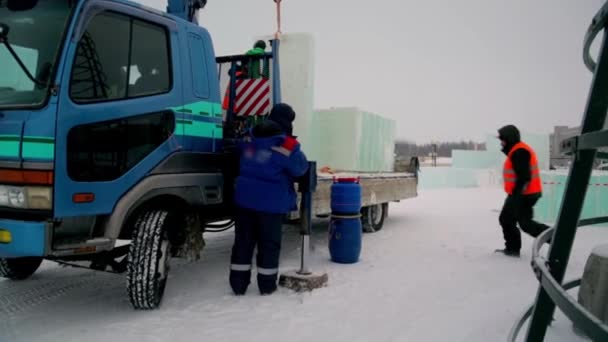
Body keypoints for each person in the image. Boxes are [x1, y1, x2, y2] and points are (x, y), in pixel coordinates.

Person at [229, 103, 308, 295]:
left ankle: (238, 286)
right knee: (268, 245)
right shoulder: (286, 144)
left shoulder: (250, 135)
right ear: (289, 121)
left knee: (243, 242)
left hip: (244, 200)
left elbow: (239, 153)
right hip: (271, 205)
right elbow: (300, 169)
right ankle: (266, 286)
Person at [496, 125, 550, 257]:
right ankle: (513, 248)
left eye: (502, 139)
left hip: (524, 194)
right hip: (523, 193)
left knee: (516, 222)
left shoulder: (520, 151)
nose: (501, 142)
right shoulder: (517, 150)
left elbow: (524, 177)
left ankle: (557, 238)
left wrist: (515, 196)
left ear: (509, 138)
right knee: (516, 222)